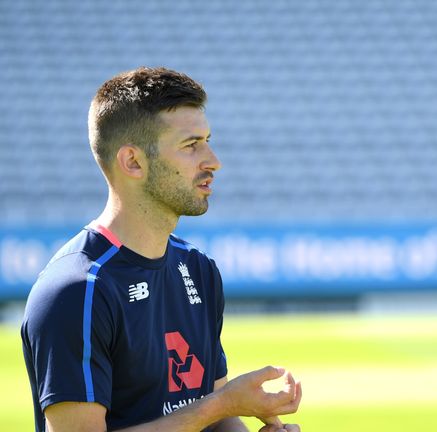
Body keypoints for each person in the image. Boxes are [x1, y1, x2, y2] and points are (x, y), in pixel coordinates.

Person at [20, 67, 302, 432]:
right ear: (133, 162)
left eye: (207, 140)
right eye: (191, 145)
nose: (213, 160)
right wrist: (218, 405)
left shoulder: (198, 269)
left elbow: (215, 420)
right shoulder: (77, 291)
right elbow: (211, 408)